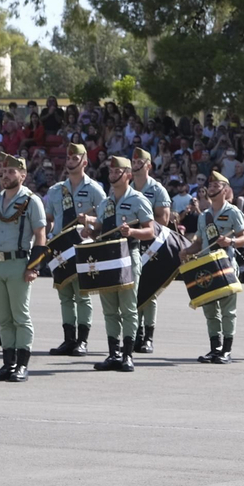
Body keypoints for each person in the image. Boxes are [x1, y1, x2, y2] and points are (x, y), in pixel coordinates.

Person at [0, 153, 47, 382]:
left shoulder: (31, 201)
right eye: (4, 172)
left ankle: (22, 364)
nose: (6, 176)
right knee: (3, 317)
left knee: (20, 316)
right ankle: (8, 363)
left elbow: (40, 236)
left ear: (23, 174)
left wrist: (34, 267)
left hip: (18, 263)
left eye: (11, 171)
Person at [87, 157, 156, 372]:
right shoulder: (106, 203)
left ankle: (127, 354)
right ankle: (113, 353)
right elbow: (98, 227)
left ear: (127, 174)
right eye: (111, 169)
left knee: (128, 307)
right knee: (109, 309)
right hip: (107, 258)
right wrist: (89, 230)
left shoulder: (138, 199)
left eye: (117, 170)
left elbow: (151, 231)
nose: (112, 173)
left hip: (128, 256)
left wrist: (133, 231)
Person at [44, 143, 106, 357]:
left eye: (75, 158)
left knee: (82, 296)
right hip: (62, 248)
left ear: (84, 162)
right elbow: (50, 219)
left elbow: (106, 218)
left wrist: (89, 219)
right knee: (65, 295)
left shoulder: (95, 189)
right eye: (68, 158)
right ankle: (68, 339)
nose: (70, 161)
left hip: (82, 248)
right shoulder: (55, 190)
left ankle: (82, 340)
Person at [183, 171, 244, 363]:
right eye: (209, 186)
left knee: (228, 310)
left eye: (215, 185)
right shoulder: (204, 216)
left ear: (225, 190)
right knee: (210, 310)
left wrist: (230, 241)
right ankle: (215, 348)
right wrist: (187, 251)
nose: (211, 188)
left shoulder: (233, 212)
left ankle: (226, 350)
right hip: (207, 267)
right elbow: (200, 242)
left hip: (225, 265)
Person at [130, 147, 171, 353]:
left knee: (150, 291)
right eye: (133, 162)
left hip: (151, 245)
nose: (135, 165)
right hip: (130, 243)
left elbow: (163, 220)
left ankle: (148, 335)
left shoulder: (157, 190)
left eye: (139, 163)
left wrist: (140, 225)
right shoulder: (126, 188)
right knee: (133, 290)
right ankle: (134, 333)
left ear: (149, 166)